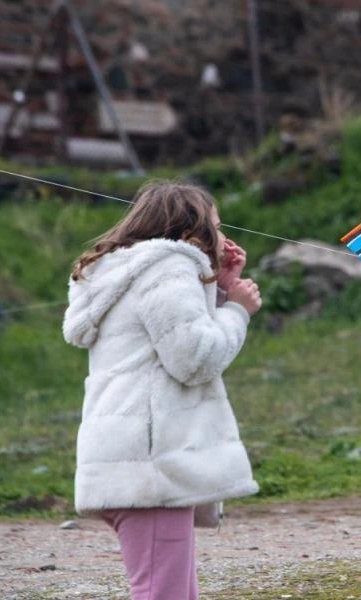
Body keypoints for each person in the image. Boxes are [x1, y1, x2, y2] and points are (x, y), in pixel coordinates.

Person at [62, 181, 263, 599]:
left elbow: (170, 341)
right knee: (163, 593)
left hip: (137, 459)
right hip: (150, 467)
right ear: (193, 230)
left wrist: (221, 288)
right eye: (217, 225)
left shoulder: (134, 272)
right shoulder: (167, 269)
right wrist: (237, 311)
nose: (225, 236)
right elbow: (194, 359)